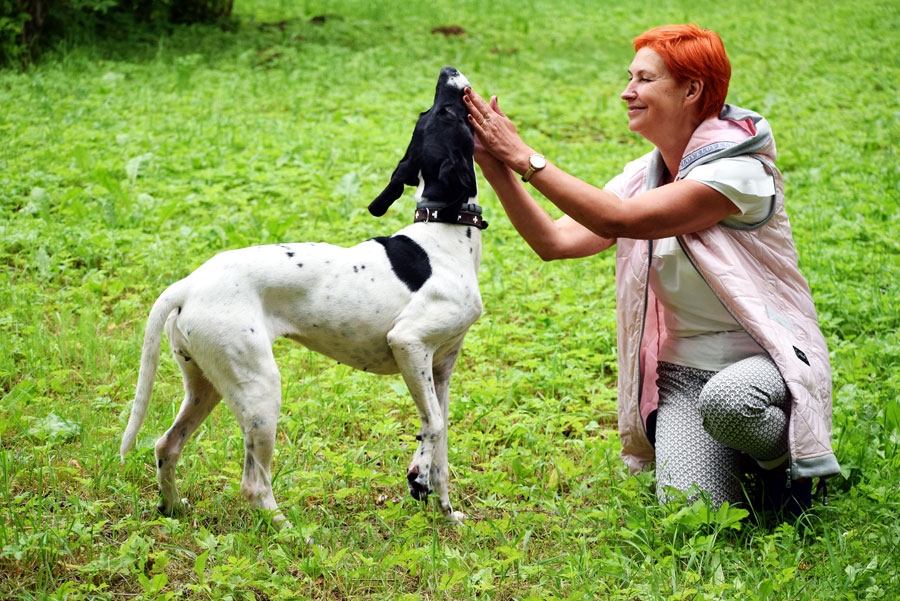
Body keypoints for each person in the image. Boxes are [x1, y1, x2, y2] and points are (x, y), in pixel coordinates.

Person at [462, 24, 840, 514]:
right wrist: (496, 165)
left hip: (765, 364)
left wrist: (524, 156)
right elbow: (555, 242)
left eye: (644, 79)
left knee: (729, 401)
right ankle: (734, 453)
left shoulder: (739, 173)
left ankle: (780, 467)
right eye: (629, 77)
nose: (627, 91)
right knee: (691, 514)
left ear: (692, 89)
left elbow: (615, 218)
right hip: (684, 376)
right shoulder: (643, 176)